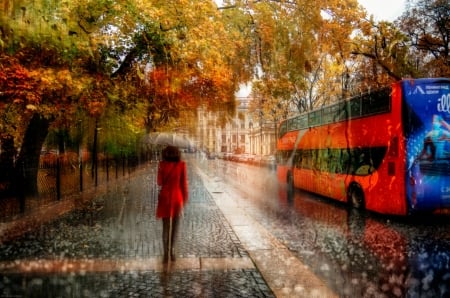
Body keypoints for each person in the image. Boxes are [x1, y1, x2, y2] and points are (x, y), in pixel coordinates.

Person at [156, 145, 188, 263]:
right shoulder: (182, 165)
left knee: (165, 227)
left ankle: (165, 254)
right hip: (177, 198)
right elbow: (184, 184)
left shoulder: (162, 165)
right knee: (175, 227)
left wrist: (162, 172)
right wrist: (184, 199)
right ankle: (172, 252)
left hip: (165, 198)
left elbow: (159, 182)